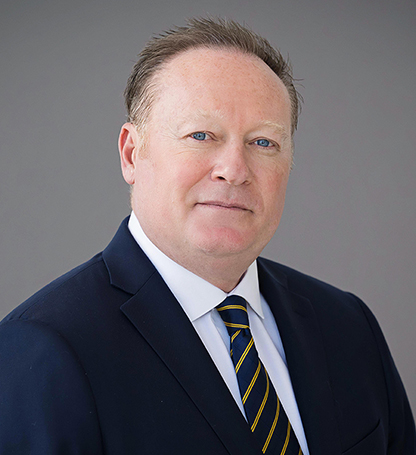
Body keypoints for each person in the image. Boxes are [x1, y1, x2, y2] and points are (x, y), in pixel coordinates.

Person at [0, 17, 414, 455]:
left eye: (263, 142)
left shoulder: (349, 326)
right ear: (131, 154)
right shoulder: (43, 350)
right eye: (200, 135)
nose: (234, 170)